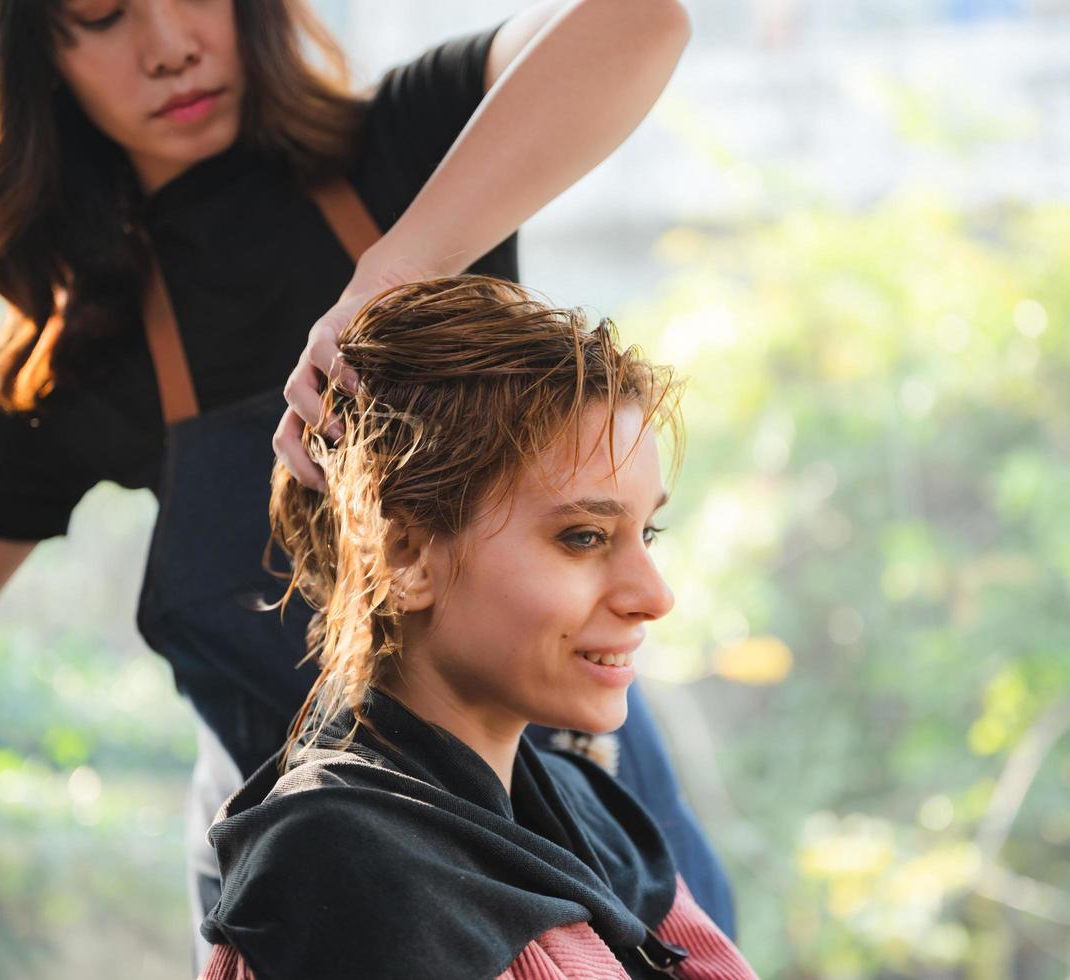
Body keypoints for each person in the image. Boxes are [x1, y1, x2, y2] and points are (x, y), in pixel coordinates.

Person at [0, 0, 735, 962]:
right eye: (102, 13)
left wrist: (403, 266)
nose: (170, 45)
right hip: (340, 903)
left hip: (585, 833)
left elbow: (641, 21)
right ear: (41, 51)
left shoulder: (405, 151)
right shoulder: (88, 350)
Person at [198, 275, 757, 980]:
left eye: (649, 531)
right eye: (583, 537)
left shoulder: (588, 812)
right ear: (402, 554)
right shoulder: (341, 864)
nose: (653, 595)